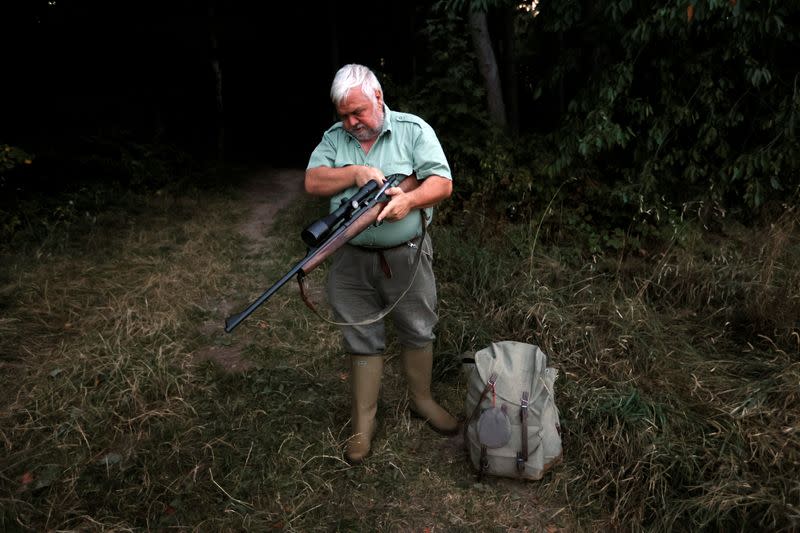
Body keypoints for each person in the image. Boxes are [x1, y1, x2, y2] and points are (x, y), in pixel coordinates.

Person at [305, 63, 459, 464]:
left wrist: (407, 201)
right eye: (344, 115)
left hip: (407, 254)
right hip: (351, 259)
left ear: (378, 96)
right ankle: (363, 424)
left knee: (418, 328)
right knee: (359, 334)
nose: (352, 122)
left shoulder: (413, 130)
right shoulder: (334, 139)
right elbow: (312, 181)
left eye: (358, 111)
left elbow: (441, 182)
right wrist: (354, 173)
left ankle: (422, 401)